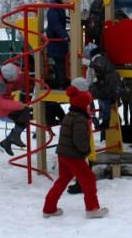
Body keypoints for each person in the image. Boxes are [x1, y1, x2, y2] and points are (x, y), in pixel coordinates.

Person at [42, 77, 108, 219]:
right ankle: (92, 208)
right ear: (84, 100)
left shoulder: (71, 114)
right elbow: (79, 140)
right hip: (73, 155)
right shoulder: (80, 118)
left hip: (63, 153)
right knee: (89, 179)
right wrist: (85, 151)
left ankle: (49, 207)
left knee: (63, 179)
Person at [0, 63, 31, 156]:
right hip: (1, 109)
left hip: (8, 104)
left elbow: (16, 81)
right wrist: (19, 105)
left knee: (25, 115)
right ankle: (12, 139)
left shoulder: (7, 74)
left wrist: (25, 77)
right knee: (24, 116)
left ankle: (9, 140)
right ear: (7, 78)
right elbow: (0, 103)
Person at [82, 43, 121, 137]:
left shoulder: (99, 59)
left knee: (104, 99)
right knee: (105, 101)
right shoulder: (101, 58)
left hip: (109, 84)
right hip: (111, 84)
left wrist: (88, 63)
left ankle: (105, 122)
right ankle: (105, 121)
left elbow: (100, 67)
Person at [46, 0, 74, 89]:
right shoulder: (53, 9)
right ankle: (63, 85)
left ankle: (62, 83)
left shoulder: (59, 8)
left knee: (62, 64)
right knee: (60, 65)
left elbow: (61, 21)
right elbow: (56, 25)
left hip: (59, 42)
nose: (68, 1)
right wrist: (65, 36)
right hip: (55, 42)